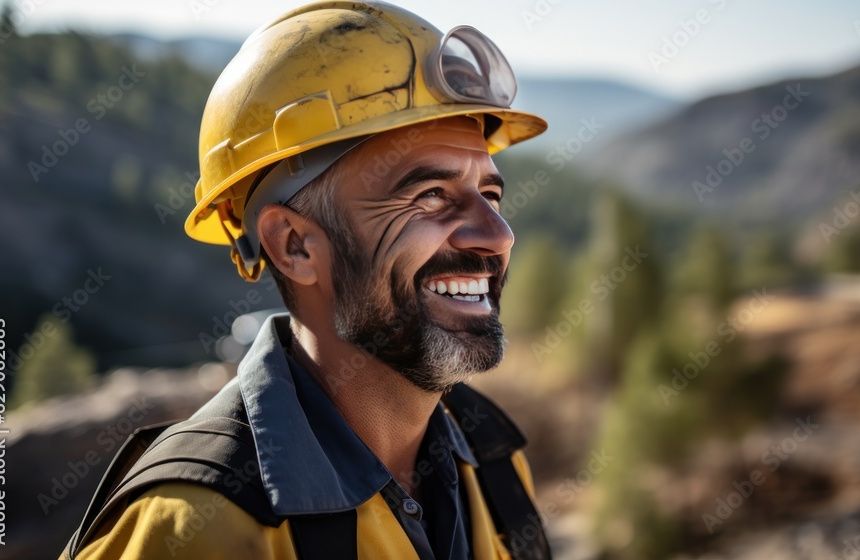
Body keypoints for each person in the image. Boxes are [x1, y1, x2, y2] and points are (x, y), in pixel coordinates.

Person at [61, 2, 551, 559]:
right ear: (294, 245)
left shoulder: (492, 461)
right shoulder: (193, 527)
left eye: (489, 194)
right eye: (430, 195)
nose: (498, 234)